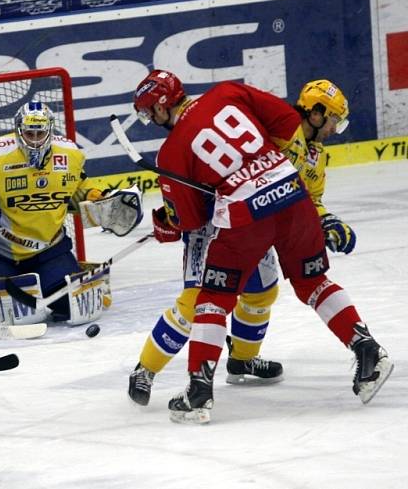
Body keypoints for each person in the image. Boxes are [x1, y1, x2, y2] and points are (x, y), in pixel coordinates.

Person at [130, 70, 392, 424]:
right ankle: (368, 350)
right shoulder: (227, 91)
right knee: (312, 282)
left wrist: (172, 216)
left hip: (245, 213)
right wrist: (262, 166)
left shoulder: (172, 152)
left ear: (161, 108)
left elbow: (190, 222)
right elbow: (286, 122)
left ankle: (199, 391)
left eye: (150, 113)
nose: (152, 121)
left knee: (212, 299)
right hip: (289, 190)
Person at [0, 101, 117, 323]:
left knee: (72, 308)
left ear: (50, 131)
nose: (34, 139)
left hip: (49, 248)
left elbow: (77, 188)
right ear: (18, 131)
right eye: (29, 133)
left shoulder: (70, 154)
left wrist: (97, 198)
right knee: (11, 315)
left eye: (40, 133)